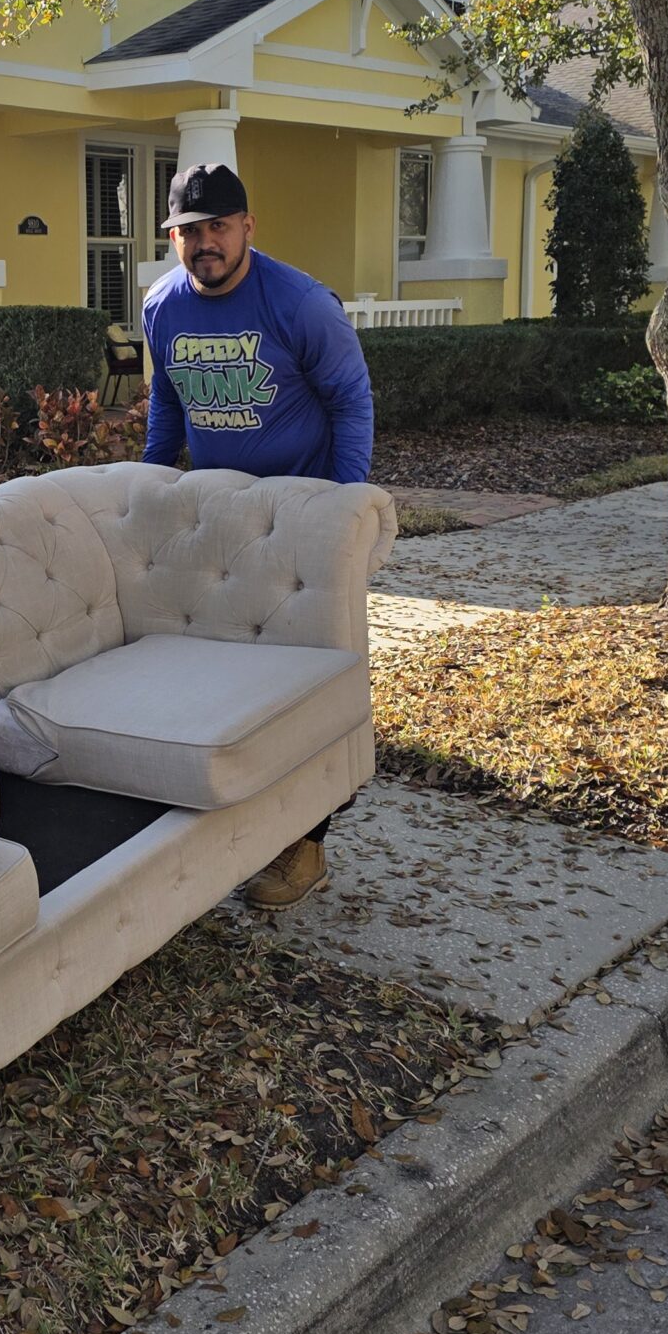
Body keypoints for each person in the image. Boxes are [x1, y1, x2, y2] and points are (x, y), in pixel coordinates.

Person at [141, 158, 375, 909]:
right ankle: (244, 820)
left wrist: (342, 516)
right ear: (170, 235)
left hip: (303, 518)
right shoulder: (161, 307)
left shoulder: (300, 303)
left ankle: (306, 847)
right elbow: (168, 411)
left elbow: (352, 401)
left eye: (218, 226)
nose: (204, 243)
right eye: (189, 230)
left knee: (303, 688)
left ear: (247, 227)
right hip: (220, 520)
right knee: (229, 684)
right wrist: (148, 487)